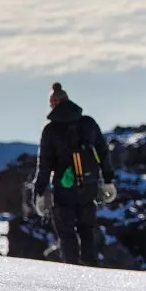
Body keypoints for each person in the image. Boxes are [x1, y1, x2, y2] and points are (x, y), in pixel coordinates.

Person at [32, 82, 118, 266]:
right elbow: (103, 152)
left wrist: (39, 192)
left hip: (64, 189)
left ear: (53, 103)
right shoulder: (88, 123)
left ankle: (72, 271)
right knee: (87, 230)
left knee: (66, 233)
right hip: (89, 184)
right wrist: (108, 180)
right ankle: (91, 268)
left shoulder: (50, 130)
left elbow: (44, 165)